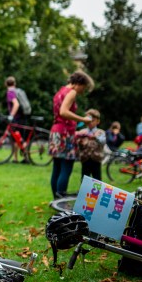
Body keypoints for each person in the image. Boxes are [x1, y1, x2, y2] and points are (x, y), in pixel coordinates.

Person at [48, 71, 94, 199]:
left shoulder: (60, 91)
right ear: (78, 83)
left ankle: (56, 200)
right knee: (66, 167)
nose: (82, 91)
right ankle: (61, 200)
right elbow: (63, 112)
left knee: (57, 168)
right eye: (83, 88)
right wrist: (83, 120)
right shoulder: (71, 92)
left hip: (56, 131)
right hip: (65, 133)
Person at [74, 109, 106, 181]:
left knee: (97, 179)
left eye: (92, 120)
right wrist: (80, 143)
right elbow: (78, 146)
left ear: (98, 121)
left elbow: (103, 142)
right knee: (84, 178)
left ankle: (97, 192)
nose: (90, 122)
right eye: (88, 120)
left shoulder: (101, 132)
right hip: (85, 159)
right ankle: (84, 192)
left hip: (96, 159)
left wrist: (96, 137)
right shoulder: (82, 132)